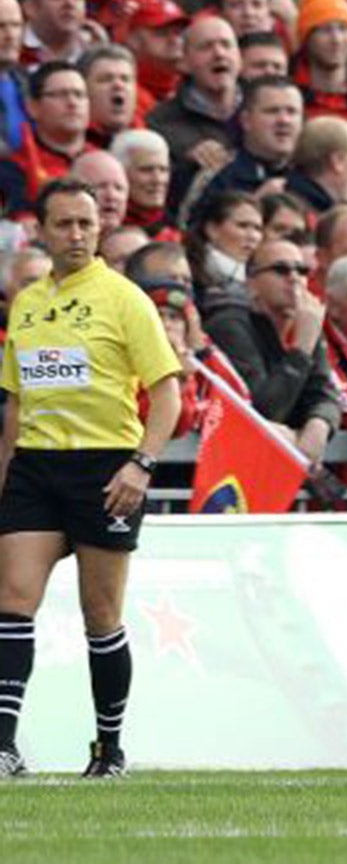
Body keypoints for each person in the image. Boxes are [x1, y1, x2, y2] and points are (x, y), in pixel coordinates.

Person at [0, 178, 182, 778]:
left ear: (100, 228)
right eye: (64, 224)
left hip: (107, 468)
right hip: (35, 465)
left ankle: (110, 749)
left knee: (100, 614)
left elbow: (166, 395)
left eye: (87, 223)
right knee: (11, 602)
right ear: (42, 231)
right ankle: (3, 746)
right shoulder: (26, 303)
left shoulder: (125, 299)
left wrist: (141, 464)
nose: (77, 234)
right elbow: (15, 406)